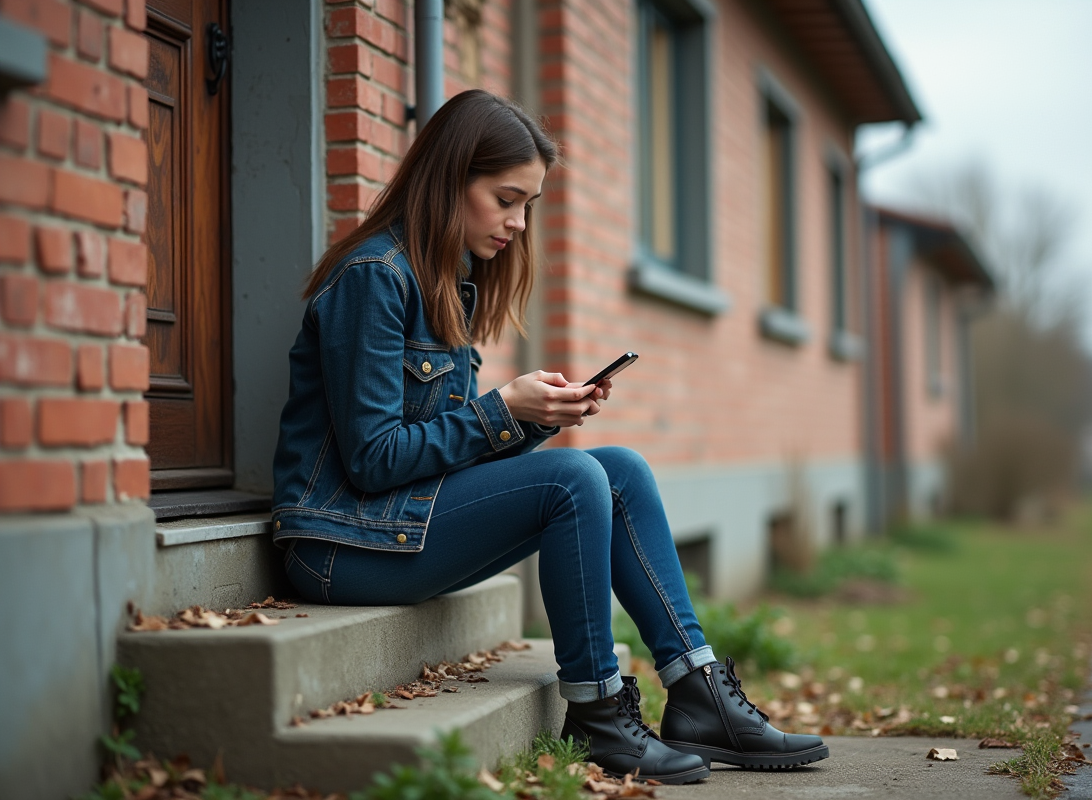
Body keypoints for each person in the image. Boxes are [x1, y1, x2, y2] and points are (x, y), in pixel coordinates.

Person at [271, 89, 828, 783]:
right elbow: (375, 458)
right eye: (507, 199)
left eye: (528, 204)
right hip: (339, 545)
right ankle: (597, 712)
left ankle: (698, 689)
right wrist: (503, 408)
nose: (519, 223)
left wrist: (533, 419)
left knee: (617, 467)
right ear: (450, 180)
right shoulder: (373, 279)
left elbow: (432, 455)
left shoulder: (446, 281)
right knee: (574, 479)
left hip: (393, 523)